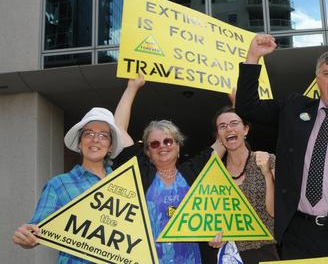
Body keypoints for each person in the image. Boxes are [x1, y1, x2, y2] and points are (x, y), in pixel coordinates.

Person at [235, 34, 328, 259]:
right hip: (297, 234)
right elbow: (247, 107)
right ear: (318, 80)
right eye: (327, 73)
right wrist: (253, 56)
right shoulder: (294, 108)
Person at [113, 74, 220, 264]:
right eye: (154, 144)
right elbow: (118, 128)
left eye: (168, 141)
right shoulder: (141, 172)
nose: (162, 146)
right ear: (147, 151)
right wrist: (132, 88)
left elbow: (226, 137)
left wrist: (234, 96)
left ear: (178, 146)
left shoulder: (194, 170)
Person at [12, 107, 124, 263]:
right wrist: (26, 236)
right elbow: (38, 231)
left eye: (103, 135)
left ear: (110, 146)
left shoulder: (124, 185)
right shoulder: (58, 185)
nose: (95, 139)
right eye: (88, 134)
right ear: (80, 143)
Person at [208, 106, 280, 263]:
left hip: (264, 252)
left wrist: (267, 173)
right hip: (229, 255)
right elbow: (214, 218)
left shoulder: (268, 160)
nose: (229, 129)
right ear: (219, 136)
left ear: (245, 129)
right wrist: (214, 236)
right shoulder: (215, 172)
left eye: (234, 123)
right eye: (222, 126)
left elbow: (275, 212)